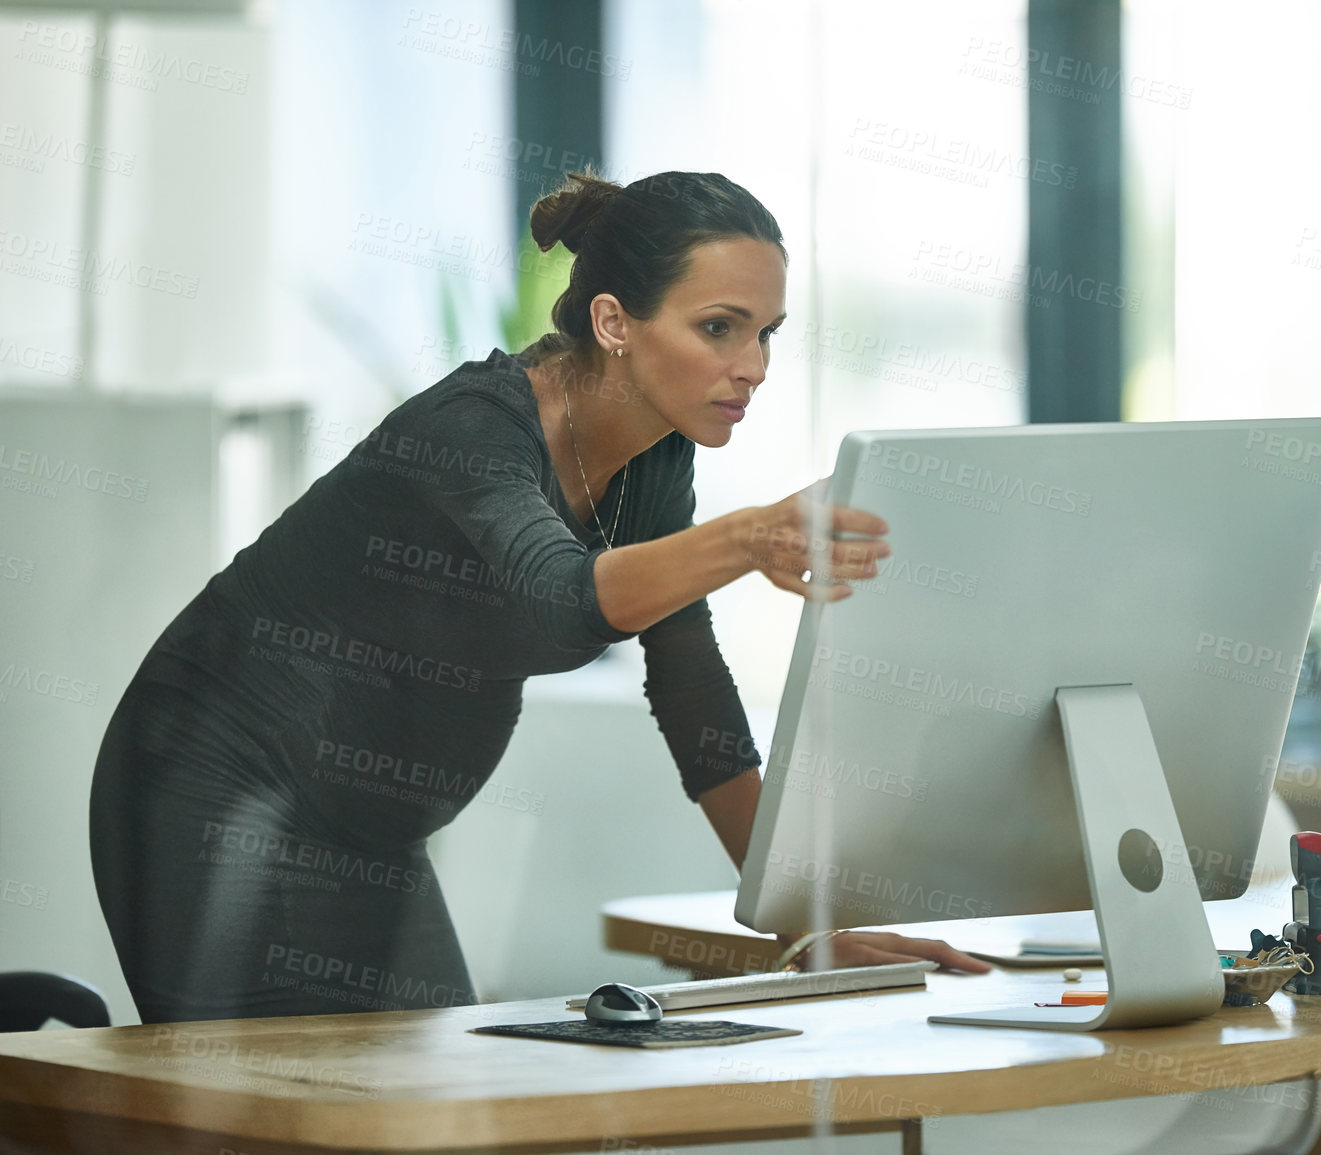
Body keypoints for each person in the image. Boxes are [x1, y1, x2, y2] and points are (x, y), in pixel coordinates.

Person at [88, 169, 988, 1024]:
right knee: (257, 1121)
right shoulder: (473, 428)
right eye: (720, 327)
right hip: (219, 785)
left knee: (446, 1120)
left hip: (373, 830)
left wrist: (804, 924)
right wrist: (746, 537)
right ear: (613, 322)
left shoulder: (655, 461)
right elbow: (558, 599)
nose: (752, 365)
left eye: (767, 333)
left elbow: (691, 693)